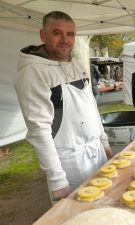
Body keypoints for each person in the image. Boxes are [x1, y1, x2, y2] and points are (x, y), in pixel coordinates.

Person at [13, 11, 113, 203]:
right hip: (69, 162)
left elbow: (91, 107)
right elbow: (39, 129)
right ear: (43, 35)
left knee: (104, 208)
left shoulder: (76, 65)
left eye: (71, 34)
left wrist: (104, 142)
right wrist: (57, 178)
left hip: (95, 152)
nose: (65, 40)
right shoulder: (33, 72)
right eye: (58, 33)